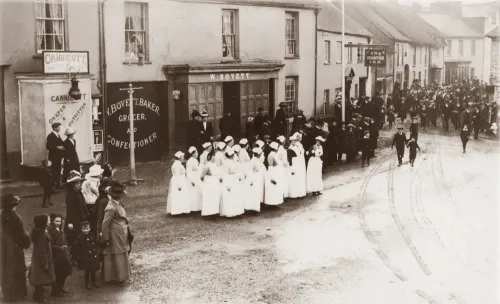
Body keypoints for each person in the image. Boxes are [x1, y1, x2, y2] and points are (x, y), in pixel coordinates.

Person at [101, 181, 132, 286]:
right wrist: (105, 238)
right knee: (117, 256)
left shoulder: (117, 204)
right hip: (115, 235)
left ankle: (121, 276)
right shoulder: (111, 208)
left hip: (120, 233)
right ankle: (119, 278)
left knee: (121, 254)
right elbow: (104, 225)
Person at [0, 194, 30, 302]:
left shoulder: (3, 214)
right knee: (16, 267)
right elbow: (20, 233)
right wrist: (26, 242)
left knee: (6, 268)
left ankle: (8, 293)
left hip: (4, 245)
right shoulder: (15, 216)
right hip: (14, 245)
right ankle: (17, 292)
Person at [29, 214, 56, 304]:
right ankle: (41, 298)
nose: (49, 221)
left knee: (39, 279)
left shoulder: (40, 232)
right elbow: (42, 251)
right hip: (42, 260)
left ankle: (37, 296)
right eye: (48, 220)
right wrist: (45, 263)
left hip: (38, 260)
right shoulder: (41, 235)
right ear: (43, 223)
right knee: (42, 279)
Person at [47, 214, 72, 297]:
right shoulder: (51, 232)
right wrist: (60, 248)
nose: (58, 223)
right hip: (56, 256)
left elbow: (65, 241)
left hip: (63, 255)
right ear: (52, 221)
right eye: (56, 221)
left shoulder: (61, 230)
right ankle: (55, 291)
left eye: (60, 221)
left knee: (66, 270)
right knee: (57, 273)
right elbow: (50, 245)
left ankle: (60, 287)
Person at [71, 221, 100, 290]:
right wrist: (78, 256)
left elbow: (95, 243)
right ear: (81, 229)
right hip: (86, 257)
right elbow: (76, 247)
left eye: (87, 228)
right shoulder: (80, 238)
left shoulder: (92, 235)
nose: (86, 230)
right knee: (87, 271)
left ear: (90, 228)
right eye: (84, 229)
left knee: (93, 270)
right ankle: (87, 285)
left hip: (92, 256)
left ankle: (93, 282)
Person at [64, 171, 89, 246]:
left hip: (80, 217)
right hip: (74, 219)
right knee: (76, 235)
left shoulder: (79, 192)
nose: (79, 185)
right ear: (72, 185)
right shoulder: (71, 195)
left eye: (79, 183)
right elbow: (70, 210)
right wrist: (69, 222)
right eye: (77, 184)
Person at [220, 147, 245, 217]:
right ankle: (230, 212)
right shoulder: (228, 162)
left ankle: (234, 211)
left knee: (234, 195)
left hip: (233, 180)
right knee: (230, 195)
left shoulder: (231, 162)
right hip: (230, 180)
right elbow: (228, 172)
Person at [243, 147, 265, 212]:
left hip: (258, 177)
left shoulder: (257, 160)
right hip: (254, 178)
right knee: (254, 192)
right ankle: (253, 207)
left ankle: (259, 203)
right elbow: (253, 171)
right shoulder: (253, 161)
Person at [200, 152, 221, 217]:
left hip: (215, 183)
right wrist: (207, 182)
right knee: (209, 197)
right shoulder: (207, 165)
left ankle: (215, 212)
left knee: (215, 197)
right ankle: (208, 213)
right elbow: (202, 176)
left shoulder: (214, 165)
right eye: (213, 156)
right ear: (210, 157)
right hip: (209, 183)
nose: (214, 157)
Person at [46, 122, 65, 189]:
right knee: (54, 171)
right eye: (58, 127)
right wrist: (58, 147)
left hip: (58, 157)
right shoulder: (50, 136)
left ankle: (57, 184)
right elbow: (48, 146)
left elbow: (62, 143)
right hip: (53, 157)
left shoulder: (58, 135)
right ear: (54, 128)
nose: (59, 128)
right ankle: (51, 186)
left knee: (58, 170)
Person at [186, 147, 202, 213]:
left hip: (197, 178)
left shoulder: (195, 160)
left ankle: (198, 208)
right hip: (193, 179)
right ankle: (192, 208)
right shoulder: (189, 161)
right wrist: (191, 180)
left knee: (197, 193)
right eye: (196, 152)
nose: (197, 154)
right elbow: (188, 172)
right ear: (193, 153)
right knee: (192, 194)